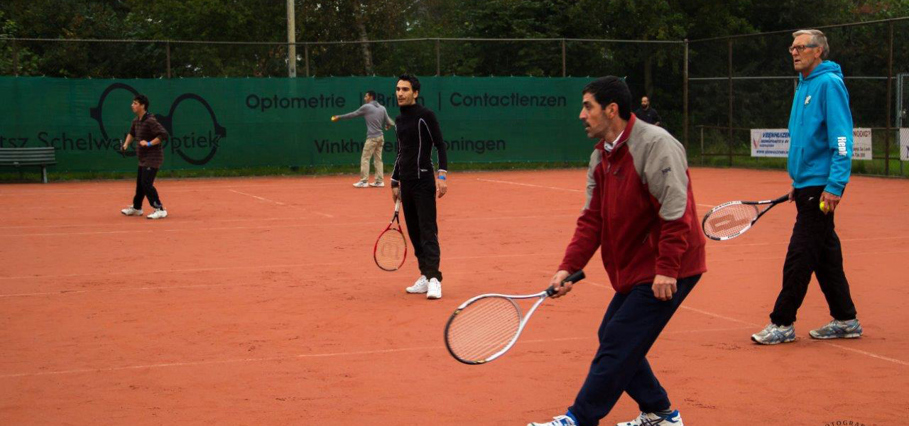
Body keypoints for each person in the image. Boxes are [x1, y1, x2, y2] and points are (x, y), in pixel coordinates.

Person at [528, 76, 706, 426]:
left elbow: (676, 211)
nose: (581, 114)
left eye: (588, 106)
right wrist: (568, 267)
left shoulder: (656, 145)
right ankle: (660, 412)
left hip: (672, 265)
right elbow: (591, 220)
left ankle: (579, 419)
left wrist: (667, 268)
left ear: (612, 110)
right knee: (614, 335)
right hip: (636, 267)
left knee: (618, 343)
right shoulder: (600, 157)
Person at [751, 29, 861, 345]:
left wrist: (836, 185)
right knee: (826, 257)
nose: (795, 52)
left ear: (818, 51)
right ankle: (846, 318)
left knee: (800, 255)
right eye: (792, 47)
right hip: (807, 187)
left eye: (801, 47)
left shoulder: (829, 84)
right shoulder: (803, 86)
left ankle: (782, 322)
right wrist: (797, 185)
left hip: (822, 190)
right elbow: (804, 141)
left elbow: (842, 138)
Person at [389, 74, 448, 300]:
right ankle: (424, 274)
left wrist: (442, 175)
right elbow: (401, 152)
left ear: (415, 93)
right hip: (407, 183)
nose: (400, 93)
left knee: (427, 230)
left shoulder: (426, 116)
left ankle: (435, 279)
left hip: (424, 181)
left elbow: (440, 145)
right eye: (398, 89)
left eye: (405, 90)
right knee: (414, 232)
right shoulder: (399, 121)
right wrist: (395, 180)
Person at [331, 91, 395, 188]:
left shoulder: (367, 107)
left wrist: (339, 117)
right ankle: (379, 181)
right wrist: (387, 126)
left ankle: (364, 181)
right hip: (380, 138)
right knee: (378, 159)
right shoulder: (382, 108)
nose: (365, 98)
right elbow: (389, 122)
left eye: (366, 96)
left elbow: (353, 114)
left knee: (365, 158)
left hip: (372, 137)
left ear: (371, 97)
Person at [120, 94, 169, 220]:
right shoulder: (136, 121)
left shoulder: (150, 121)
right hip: (143, 158)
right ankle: (137, 208)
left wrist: (148, 143)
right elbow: (131, 133)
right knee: (140, 184)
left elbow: (163, 135)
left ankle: (159, 209)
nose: (132, 105)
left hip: (153, 157)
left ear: (143, 106)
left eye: (135, 103)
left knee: (146, 183)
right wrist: (125, 144)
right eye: (133, 103)